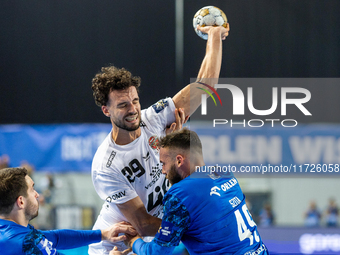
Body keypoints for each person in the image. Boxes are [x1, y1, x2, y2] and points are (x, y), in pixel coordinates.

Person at [89, 25, 230, 254]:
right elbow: (143, 223)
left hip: (149, 240)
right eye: (123, 105)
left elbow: (204, 87)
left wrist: (214, 36)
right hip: (117, 247)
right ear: (106, 111)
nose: (133, 109)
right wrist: (196, 228)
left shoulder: (152, 118)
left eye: (135, 100)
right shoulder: (105, 165)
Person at [115, 129, 269, 255]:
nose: (163, 171)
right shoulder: (225, 175)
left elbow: (156, 252)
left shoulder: (180, 195)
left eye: (163, 164)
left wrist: (134, 241)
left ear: (179, 160)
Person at [0, 167, 137, 255]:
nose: (37, 194)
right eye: (32, 189)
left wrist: (102, 234)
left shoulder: (11, 232)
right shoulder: (26, 243)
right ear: (21, 201)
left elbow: (56, 238)